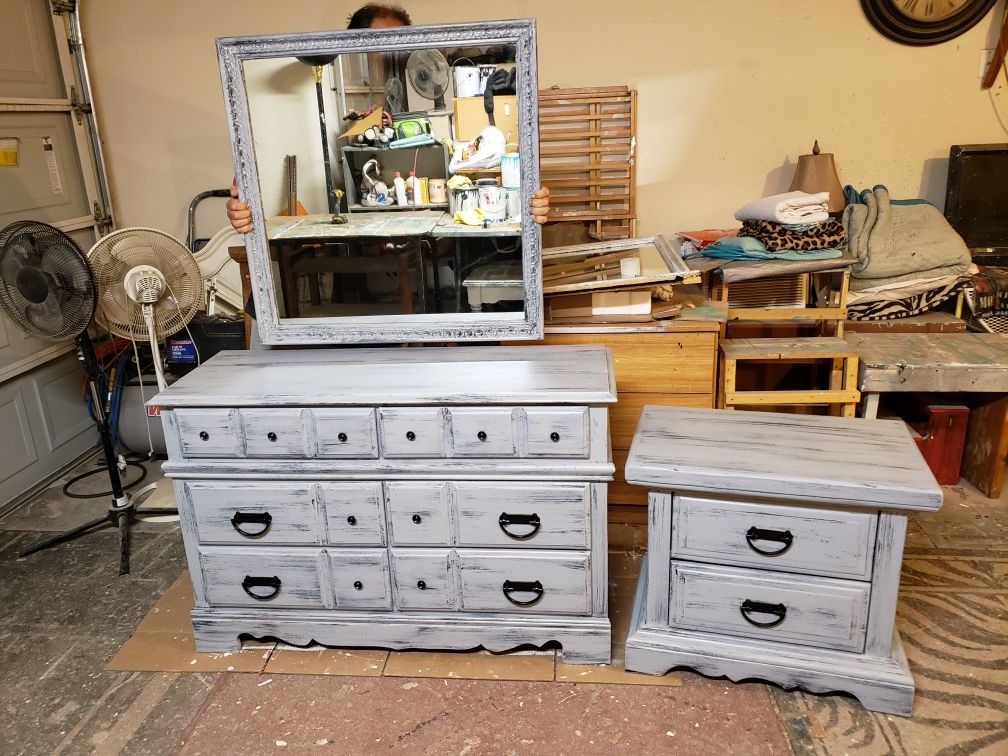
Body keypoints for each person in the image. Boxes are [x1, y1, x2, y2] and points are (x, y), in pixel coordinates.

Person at [225, 2, 550, 233]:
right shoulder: (316, 85)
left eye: (399, 45)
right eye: (379, 44)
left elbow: (536, 204)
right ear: (349, 47)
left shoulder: (382, 100)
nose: (390, 53)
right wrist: (247, 210)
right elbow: (255, 199)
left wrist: (534, 204)